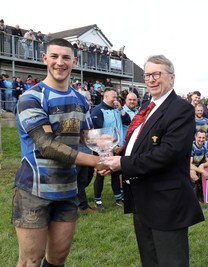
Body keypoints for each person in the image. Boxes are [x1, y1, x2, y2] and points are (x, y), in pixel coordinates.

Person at [102, 55, 204, 266]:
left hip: (165, 201)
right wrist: (116, 162)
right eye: (147, 75)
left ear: (172, 78)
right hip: (142, 198)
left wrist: (122, 164)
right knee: (150, 260)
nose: (151, 79)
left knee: (170, 261)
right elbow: (139, 146)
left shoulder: (181, 109)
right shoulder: (147, 106)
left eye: (157, 74)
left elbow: (167, 153)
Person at [12, 38, 107, 267]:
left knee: (57, 260)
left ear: (74, 61)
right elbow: (47, 146)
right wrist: (95, 162)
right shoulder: (31, 98)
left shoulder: (80, 100)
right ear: (45, 58)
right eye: (54, 56)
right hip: (34, 190)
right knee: (30, 261)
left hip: (67, 189)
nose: (60, 62)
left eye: (66, 57)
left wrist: (105, 148)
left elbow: (85, 137)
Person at [90, 88, 131, 208]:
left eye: (116, 97)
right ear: (106, 97)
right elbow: (96, 132)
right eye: (113, 97)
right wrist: (109, 145)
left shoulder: (117, 109)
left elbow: (127, 121)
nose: (115, 99)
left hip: (117, 146)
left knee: (116, 171)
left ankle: (118, 198)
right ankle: (97, 200)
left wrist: (121, 109)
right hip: (104, 148)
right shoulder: (97, 110)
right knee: (101, 172)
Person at [190, 129, 208, 199]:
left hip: (198, 165)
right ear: (195, 137)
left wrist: (202, 165)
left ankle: (204, 193)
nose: (201, 139)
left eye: (203, 138)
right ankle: (194, 197)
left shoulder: (206, 145)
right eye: (199, 137)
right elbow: (189, 165)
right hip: (189, 166)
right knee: (193, 175)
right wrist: (202, 171)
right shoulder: (191, 146)